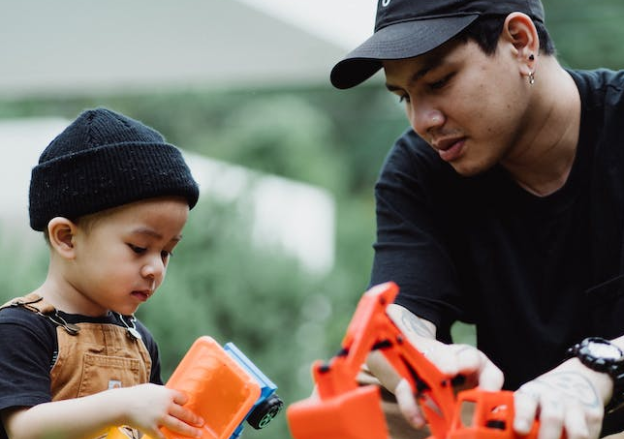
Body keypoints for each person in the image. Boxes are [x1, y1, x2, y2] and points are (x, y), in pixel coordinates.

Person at [330, 0, 624, 438]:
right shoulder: (421, 171)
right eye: (405, 97)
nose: (422, 120)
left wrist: (596, 366)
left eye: (439, 81)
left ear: (520, 42)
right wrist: (421, 357)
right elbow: (391, 322)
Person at [0, 108, 204, 439]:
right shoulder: (21, 330)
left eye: (167, 252)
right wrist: (122, 405)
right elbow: (24, 428)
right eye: (139, 247)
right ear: (66, 238)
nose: (155, 268)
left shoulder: (138, 340)